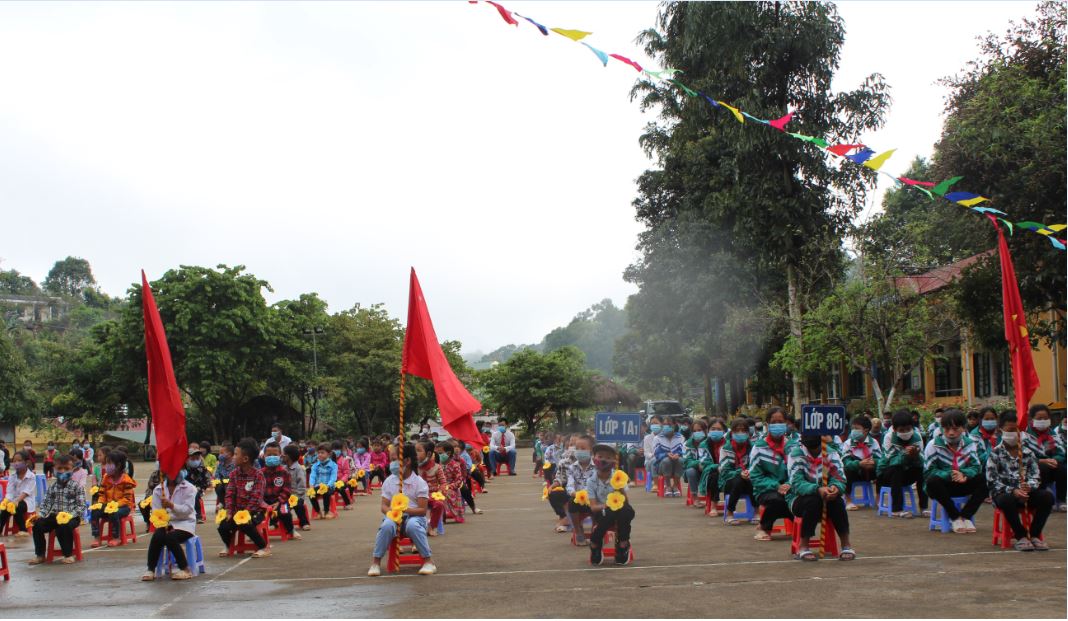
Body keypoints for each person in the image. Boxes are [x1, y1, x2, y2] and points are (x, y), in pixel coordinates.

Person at [367, 443, 436, 576]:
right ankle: (375, 563)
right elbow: (384, 506)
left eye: (394, 460)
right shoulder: (389, 481)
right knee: (386, 525)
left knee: (412, 525)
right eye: (391, 460)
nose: (391, 463)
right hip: (394, 517)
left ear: (407, 461)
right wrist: (391, 513)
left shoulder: (419, 482)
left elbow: (422, 510)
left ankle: (429, 561)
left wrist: (405, 510)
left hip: (415, 518)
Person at [987, 410, 1052, 551]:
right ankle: (1020, 535)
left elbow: (1036, 475)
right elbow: (992, 481)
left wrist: (1030, 486)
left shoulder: (1028, 453)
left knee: (1047, 497)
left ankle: (1034, 535)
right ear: (1001, 430)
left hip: (1026, 494)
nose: (1014, 434)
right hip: (1005, 494)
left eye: (1018, 430)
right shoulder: (995, 453)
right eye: (1010, 430)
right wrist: (1013, 490)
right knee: (1006, 500)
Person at [788, 435, 855, 561]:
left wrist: (834, 487)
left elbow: (839, 475)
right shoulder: (795, 454)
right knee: (813, 501)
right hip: (799, 499)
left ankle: (846, 544)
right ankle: (804, 545)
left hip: (827, 497)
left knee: (838, 502)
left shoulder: (831, 453)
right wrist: (817, 489)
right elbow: (796, 483)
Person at [923, 409, 987, 533]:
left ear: (963, 428)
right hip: (942, 487)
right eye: (947, 429)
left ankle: (966, 516)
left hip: (962, 483)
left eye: (955, 429)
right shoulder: (933, 445)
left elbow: (976, 467)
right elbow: (929, 471)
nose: (951, 433)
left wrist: (964, 474)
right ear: (942, 429)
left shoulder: (970, 444)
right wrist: (951, 474)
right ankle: (955, 517)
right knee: (932, 481)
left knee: (984, 479)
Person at [216, 438, 270, 558]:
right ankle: (228, 545)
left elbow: (256, 497)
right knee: (223, 526)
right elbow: (229, 494)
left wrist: (247, 512)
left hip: (255, 511)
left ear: (245, 459)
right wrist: (229, 511)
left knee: (246, 524)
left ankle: (263, 547)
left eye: (236, 454)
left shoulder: (258, 475)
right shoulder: (234, 474)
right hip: (236, 512)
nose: (233, 457)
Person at [142, 467, 198, 581]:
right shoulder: (158, 490)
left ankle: (185, 569)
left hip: (185, 523)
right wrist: (164, 518)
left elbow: (187, 511)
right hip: (166, 523)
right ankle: (150, 569)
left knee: (170, 537)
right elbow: (156, 512)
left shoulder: (190, 488)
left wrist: (172, 506)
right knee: (157, 536)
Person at [29, 455, 85, 564]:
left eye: (66, 469)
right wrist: (41, 514)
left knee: (63, 527)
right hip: (55, 516)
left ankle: (68, 555)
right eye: (59, 469)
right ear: (54, 469)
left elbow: (81, 506)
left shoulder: (76, 486)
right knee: (37, 525)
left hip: (72, 517)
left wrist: (70, 516)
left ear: (72, 470)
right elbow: (46, 503)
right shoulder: (53, 486)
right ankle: (40, 555)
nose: (63, 471)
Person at [587, 444, 634, 566]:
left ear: (614, 460)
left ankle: (623, 543)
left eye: (608, 457)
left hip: (620, 511)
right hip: (602, 512)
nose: (603, 460)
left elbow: (626, 502)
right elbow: (593, 507)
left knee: (627, 511)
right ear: (594, 458)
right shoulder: (591, 481)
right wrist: (606, 506)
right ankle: (595, 544)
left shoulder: (618, 476)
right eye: (600, 456)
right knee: (609, 513)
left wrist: (620, 488)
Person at [750, 408, 793, 541]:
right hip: (766, 489)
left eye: (780, 421)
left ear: (786, 423)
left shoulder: (794, 446)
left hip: (791, 487)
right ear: (767, 424)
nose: (777, 424)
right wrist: (776, 486)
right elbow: (755, 477)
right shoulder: (759, 447)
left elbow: (800, 471)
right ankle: (764, 527)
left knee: (804, 502)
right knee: (778, 500)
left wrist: (789, 484)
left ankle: (799, 527)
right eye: (773, 422)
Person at [876, 409, 927, 518]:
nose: (905, 432)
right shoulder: (888, 437)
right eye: (902, 430)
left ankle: (924, 507)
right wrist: (905, 454)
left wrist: (916, 455)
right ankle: (896, 509)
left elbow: (923, 458)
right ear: (895, 429)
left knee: (922, 470)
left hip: (907, 472)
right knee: (896, 468)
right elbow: (890, 459)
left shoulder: (917, 437)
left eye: (908, 429)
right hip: (886, 474)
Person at [1023, 403, 1066, 512]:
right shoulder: (1025, 435)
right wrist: (1041, 460)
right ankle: (1043, 498)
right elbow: (1024, 456)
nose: (1042, 420)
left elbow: (1061, 452)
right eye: (1039, 418)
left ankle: (1061, 500)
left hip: (1051, 464)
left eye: (1045, 418)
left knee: (1062, 469)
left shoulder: (1052, 434)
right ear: (1032, 419)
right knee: (1042, 467)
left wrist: (1055, 459)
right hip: (1033, 468)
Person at [841, 415, 882, 510]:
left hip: (870, 471)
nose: (853, 431)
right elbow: (845, 461)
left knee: (882, 470)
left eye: (857, 428)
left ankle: (878, 499)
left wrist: (873, 463)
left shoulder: (874, 442)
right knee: (847, 470)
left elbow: (880, 459)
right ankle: (848, 500)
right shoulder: (848, 443)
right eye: (853, 428)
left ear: (866, 430)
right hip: (855, 472)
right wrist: (859, 464)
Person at [261, 441, 299, 540]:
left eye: (275, 455)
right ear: (264, 456)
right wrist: (263, 503)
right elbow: (257, 490)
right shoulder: (260, 473)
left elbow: (287, 490)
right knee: (255, 514)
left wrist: (279, 501)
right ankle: (257, 532)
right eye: (269, 455)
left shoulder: (284, 472)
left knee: (284, 512)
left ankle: (291, 530)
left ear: (280, 455)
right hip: (263, 501)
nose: (272, 456)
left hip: (280, 501)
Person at [719, 419, 754, 525]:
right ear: (732, 433)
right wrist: (739, 473)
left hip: (748, 478)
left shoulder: (753, 447)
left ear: (748, 433)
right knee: (738, 480)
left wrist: (749, 472)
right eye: (737, 431)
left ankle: (756, 512)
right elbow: (724, 471)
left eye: (743, 431)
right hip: (730, 481)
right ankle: (730, 512)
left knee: (753, 479)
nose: (740, 433)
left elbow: (756, 465)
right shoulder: (725, 449)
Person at [565, 434, 598, 545]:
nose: (579, 451)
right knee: (571, 503)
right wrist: (574, 493)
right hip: (578, 498)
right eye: (577, 448)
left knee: (598, 504)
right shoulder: (572, 467)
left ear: (591, 451)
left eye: (583, 449)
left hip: (593, 498)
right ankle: (578, 531)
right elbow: (569, 485)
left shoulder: (597, 467)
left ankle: (595, 530)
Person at [1, 451, 37, 537]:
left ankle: (23, 530)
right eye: (14, 461)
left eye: (19, 460)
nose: (16, 463)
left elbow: (27, 492)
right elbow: (10, 491)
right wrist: (6, 500)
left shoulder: (31, 476)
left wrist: (16, 501)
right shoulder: (12, 476)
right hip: (14, 499)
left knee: (17, 507)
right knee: (5, 509)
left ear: (26, 462)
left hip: (26, 501)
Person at [416, 440, 447, 535]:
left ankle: (432, 527)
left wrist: (441, 491)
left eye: (418, 450)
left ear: (428, 453)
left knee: (439, 504)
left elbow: (443, 482)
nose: (415, 453)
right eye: (414, 451)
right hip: (417, 495)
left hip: (432, 494)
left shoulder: (437, 467)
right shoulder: (413, 467)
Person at [698, 419, 727, 515]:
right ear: (708, 430)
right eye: (713, 429)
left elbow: (731, 460)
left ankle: (730, 506)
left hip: (726, 470)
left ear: (723, 431)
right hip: (710, 471)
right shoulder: (703, 445)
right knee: (714, 476)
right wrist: (716, 466)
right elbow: (704, 462)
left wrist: (722, 467)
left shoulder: (728, 444)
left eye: (719, 429)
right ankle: (714, 506)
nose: (716, 431)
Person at [436, 441, 468, 520]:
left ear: (448, 453)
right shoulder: (437, 465)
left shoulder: (455, 465)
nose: (438, 455)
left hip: (451, 488)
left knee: (445, 492)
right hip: (439, 486)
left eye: (440, 453)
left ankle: (449, 512)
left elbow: (459, 480)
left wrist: (449, 486)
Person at [282, 444, 310, 531]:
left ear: (288, 456)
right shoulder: (283, 469)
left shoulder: (299, 469)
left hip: (297, 495)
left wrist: (296, 496)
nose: (281, 456)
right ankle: (275, 523)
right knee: (280, 507)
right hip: (286, 496)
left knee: (298, 506)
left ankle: (304, 523)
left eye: (283, 454)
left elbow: (302, 485)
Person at [654, 419, 686, 497]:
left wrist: (678, 454)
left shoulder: (680, 437)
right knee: (667, 461)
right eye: (664, 425)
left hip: (676, 463)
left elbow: (684, 451)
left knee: (681, 460)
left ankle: (675, 486)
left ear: (674, 426)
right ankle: (667, 486)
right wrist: (666, 454)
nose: (666, 426)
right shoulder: (657, 438)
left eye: (669, 424)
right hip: (662, 466)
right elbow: (657, 454)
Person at [308, 443, 339, 519]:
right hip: (318, 486)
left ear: (328, 454)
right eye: (318, 453)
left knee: (326, 492)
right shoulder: (315, 465)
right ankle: (318, 512)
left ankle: (326, 511)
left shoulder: (334, 465)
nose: (320, 455)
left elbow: (333, 477)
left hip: (329, 486)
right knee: (311, 494)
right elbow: (312, 476)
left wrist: (327, 485)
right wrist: (311, 486)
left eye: (322, 453)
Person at [184, 445, 212, 524]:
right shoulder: (183, 469)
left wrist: (202, 488)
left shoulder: (202, 469)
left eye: (197, 458)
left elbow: (207, 481)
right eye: (193, 458)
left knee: (195, 493)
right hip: (183, 489)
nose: (195, 460)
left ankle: (198, 516)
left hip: (198, 488)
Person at [683, 420, 708, 503]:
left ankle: (712, 499)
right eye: (694, 431)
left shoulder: (709, 442)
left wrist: (704, 465)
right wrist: (698, 464)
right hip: (695, 471)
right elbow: (687, 462)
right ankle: (694, 497)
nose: (697, 433)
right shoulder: (688, 444)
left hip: (707, 469)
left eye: (699, 430)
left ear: (705, 430)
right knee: (690, 471)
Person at [213, 443, 236, 509]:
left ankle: (226, 503)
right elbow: (217, 474)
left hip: (231, 482)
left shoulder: (235, 464)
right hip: (222, 482)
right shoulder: (220, 463)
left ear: (229, 454)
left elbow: (233, 476)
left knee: (225, 481)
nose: (220, 455)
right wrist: (217, 479)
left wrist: (223, 480)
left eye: (222, 453)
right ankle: (222, 502)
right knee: (216, 482)